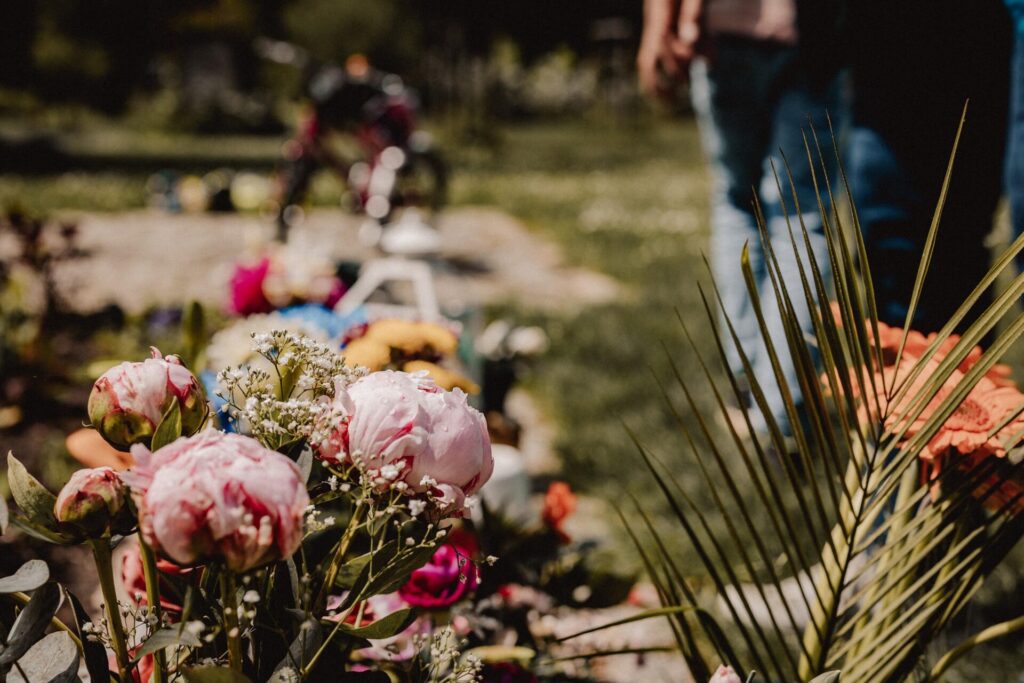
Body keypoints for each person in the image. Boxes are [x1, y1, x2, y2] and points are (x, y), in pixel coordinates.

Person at [637, 0, 842, 438]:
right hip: (803, 34)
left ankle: (748, 385)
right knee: (799, 217)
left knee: (737, 202)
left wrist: (664, 24)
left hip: (722, 30)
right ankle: (783, 415)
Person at [844, 0, 1011, 334]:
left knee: (961, 236)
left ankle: (962, 370)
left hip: (974, 38)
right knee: (893, 242)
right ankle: (908, 365)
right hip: (890, 43)